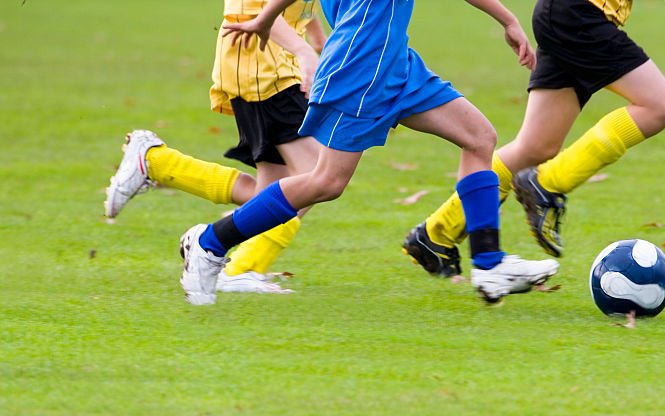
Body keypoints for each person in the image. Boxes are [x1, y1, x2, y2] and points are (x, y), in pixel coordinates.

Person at [179, 0, 559, 306]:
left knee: (479, 137)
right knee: (325, 182)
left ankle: (489, 264)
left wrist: (507, 19)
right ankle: (210, 243)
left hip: (396, 65)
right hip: (357, 69)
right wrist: (266, 18)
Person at [402, 0, 665, 278]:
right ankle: (548, 182)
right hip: (580, 15)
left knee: (535, 147)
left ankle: (435, 233)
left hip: (564, 15)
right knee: (659, 106)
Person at [105, 1, 327, 294]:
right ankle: (231, 260)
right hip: (264, 69)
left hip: (276, 66)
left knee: (272, 194)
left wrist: (317, 39)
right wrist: (303, 50)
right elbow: (252, 8)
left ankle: (157, 162)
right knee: (317, 177)